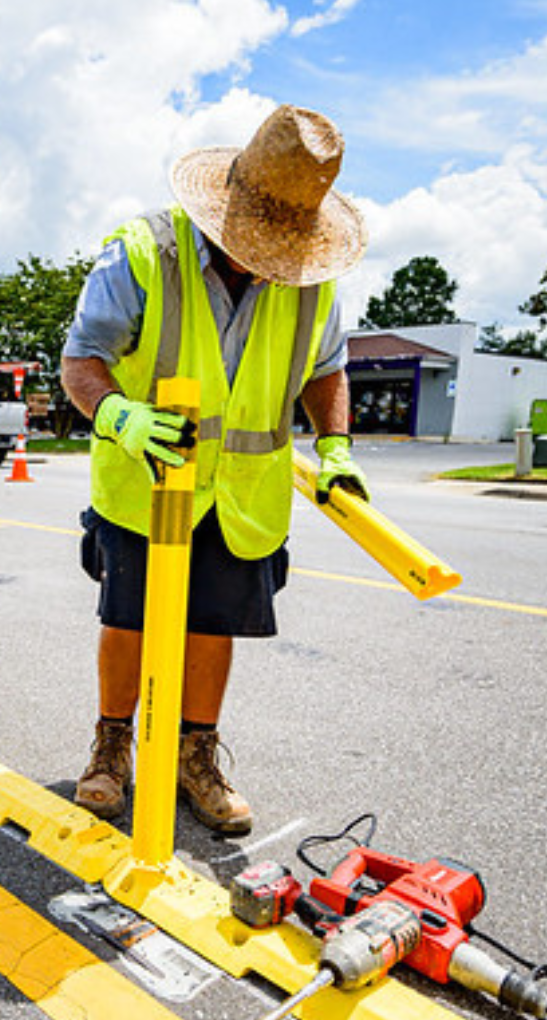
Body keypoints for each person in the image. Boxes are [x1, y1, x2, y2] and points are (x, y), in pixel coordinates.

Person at [60, 103, 370, 837]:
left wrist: (336, 448)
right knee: (128, 619)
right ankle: (113, 746)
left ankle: (195, 754)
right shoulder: (141, 252)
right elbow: (82, 361)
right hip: (145, 482)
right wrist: (118, 416)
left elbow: (327, 372)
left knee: (214, 625)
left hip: (242, 493)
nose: (262, 259)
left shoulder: (309, 278)